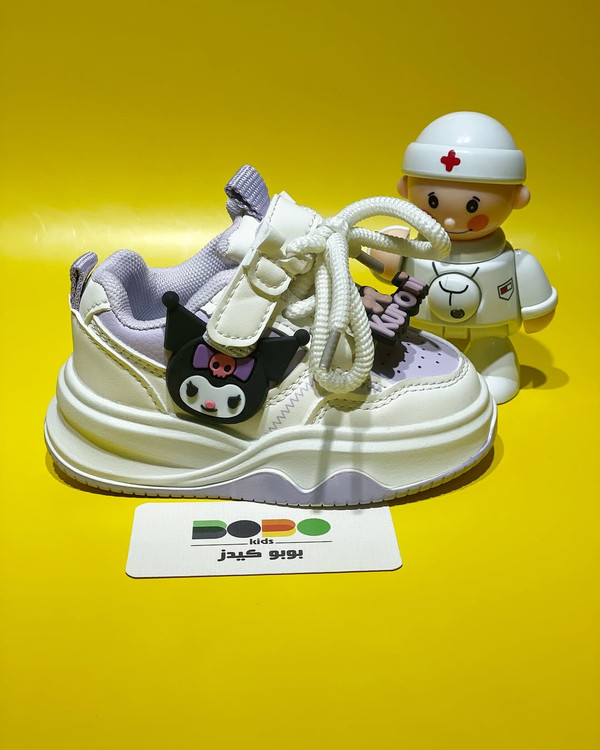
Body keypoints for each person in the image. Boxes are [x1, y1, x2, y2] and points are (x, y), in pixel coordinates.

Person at [370, 111, 557, 403]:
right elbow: (384, 268)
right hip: (418, 331)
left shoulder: (514, 263)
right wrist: (386, 250)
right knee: (409, 353)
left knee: (492, 354)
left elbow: (537, 308)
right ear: (405, 188)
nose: (449, 222)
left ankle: (493, 367)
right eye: (433, 201)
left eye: (473, 206)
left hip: (489, 335)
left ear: (517, 197)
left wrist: (537, 308)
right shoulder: (408, 247)